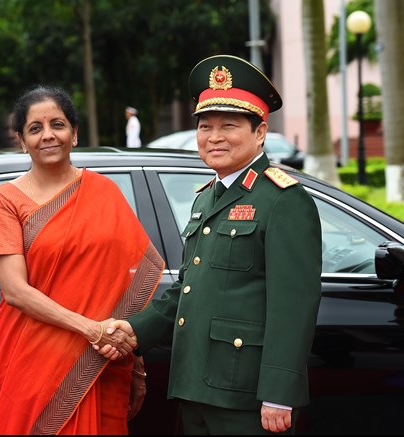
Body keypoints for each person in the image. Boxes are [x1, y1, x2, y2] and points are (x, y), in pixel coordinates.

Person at [97, 55, 322, 435]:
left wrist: (279, 394)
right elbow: (189, 288)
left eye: (228, 126)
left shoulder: (283, 200)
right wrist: (135, 331)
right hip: (196, 384)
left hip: (247, 394)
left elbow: (294, 307)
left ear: (260, 132)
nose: (214, 137)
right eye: (205, 126)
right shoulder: (206, 198)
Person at [0, 85, 164, 435]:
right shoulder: (5, 201)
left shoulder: (104, 192)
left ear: (74, 133)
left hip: (104, 359)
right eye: (35, 128)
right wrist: (92, 330)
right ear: (22, 141)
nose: (48, 135)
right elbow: (15, 291)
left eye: (58, 124)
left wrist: (135, 359)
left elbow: (125, 288)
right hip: (34, 358)